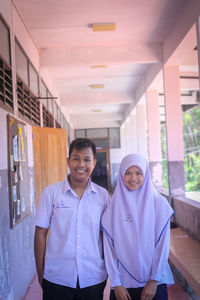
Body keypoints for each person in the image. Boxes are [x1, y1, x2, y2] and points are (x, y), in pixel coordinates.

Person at [34, 138, 110, 300]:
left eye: (87, 160)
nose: (81, 164)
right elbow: (40, 233)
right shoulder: (51, 193)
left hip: (93, 277)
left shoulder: (102, 196)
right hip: (57, 277)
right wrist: (41, 273)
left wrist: (107, 269)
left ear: (94, 163)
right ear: (68, 161)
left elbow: (106, 235)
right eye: (76, 158)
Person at [101, 154, 174, 300]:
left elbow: (162, 246)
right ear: (121, 174)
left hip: (154, 282)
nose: (133, 178)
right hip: (123, 285)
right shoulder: (113, 208)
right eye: (128, 173)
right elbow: (109, 248)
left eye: (138, 173)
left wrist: (154, 280)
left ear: (146, 174)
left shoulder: (159, 205)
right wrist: (116, 283)